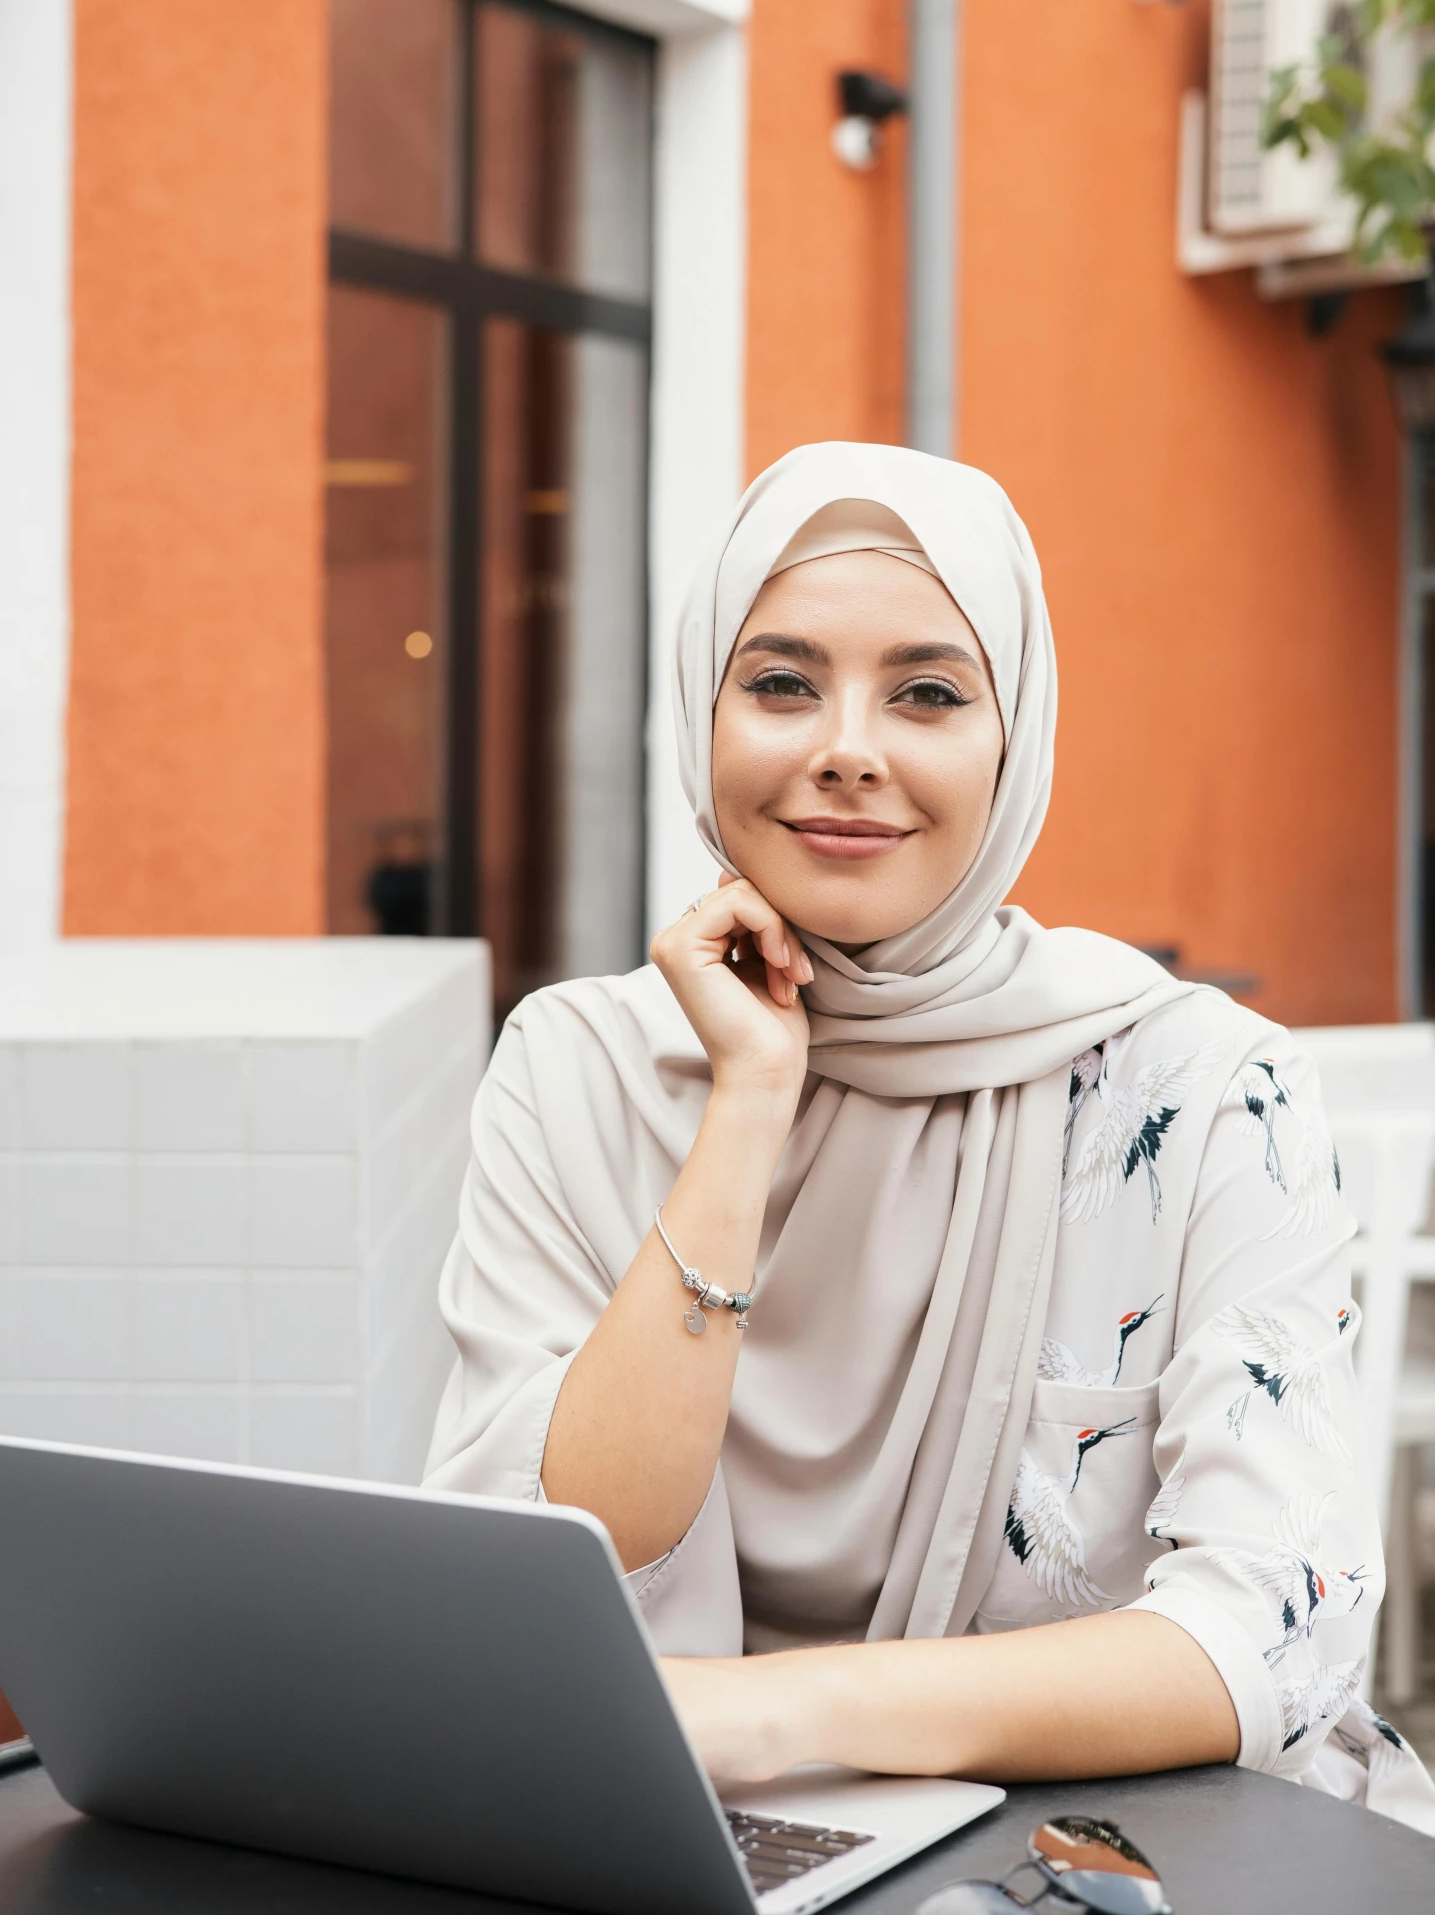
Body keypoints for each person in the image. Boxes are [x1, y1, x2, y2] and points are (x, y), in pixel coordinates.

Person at [425, 440, 1435, 1830]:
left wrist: (783, 1715)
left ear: (1010, 737)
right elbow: (551, 1569)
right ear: (698, 714)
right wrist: (745, 1105)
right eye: (780, 681)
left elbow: (1277, 1624)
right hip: (684, 1833)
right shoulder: (577, 1064)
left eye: (928, 692)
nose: (848, 746)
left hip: (1115, 1845)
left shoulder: (1199, 1086)